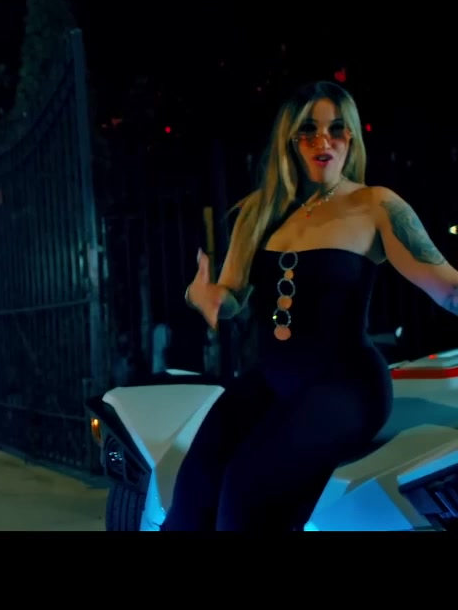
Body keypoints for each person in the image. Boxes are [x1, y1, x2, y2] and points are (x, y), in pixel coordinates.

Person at [169, 80, 458, 531]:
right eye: (309, 129)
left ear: (351, 138)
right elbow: (232, 297)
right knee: (194, 487)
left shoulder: (374, 205)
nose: (324, 141)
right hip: (271, 380)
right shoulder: (260, 211)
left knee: (246, 490)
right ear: (289, 138)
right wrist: (202, 296)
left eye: (336, 129)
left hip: (346, 387)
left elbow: (448, 289)